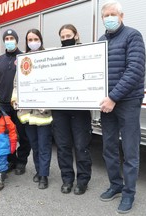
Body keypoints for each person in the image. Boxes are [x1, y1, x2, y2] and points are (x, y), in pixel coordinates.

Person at [98, 1, 146, 214]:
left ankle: (128, 194)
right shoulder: (100, 42)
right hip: (107, 103)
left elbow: (134, 70)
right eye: (106, 15)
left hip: (127, 102)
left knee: (129, 150)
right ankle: (115, 185)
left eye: (113, 14)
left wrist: (113, 97)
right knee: (108, 147)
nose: (109, 17)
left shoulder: (133, 36)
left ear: (121, 15)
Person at [51, 24, 92, 195]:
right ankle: (67, 179)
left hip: (80, 109)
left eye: (68, 35)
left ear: (76, 35)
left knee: (81, 145)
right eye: (62, 36)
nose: (65, 38)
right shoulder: (54, 56)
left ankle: (82, 181)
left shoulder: (86, 54)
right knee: (63, 146)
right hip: (60, 109)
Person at [11, 29, 53, 189]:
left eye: (36, 38)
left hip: (43, 114)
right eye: (30, 39)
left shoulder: (47, 59)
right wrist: (15, 100)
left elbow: (52, 83)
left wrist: (47, 102)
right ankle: (39, 170)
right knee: (35, 145)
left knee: (44, 145)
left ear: (41, 40)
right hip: (27, 114)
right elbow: (17, 84)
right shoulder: (23, 61)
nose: (33, 42)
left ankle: (44, 176)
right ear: (26, 42)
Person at [0, 28, 31, 175]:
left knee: (23, 135)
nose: (9, 41)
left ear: (17, 40)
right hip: (3, 103)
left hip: (20, 104)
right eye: (7, 39)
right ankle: (11, 160)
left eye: (12, 38)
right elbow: (0, 78)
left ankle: (22, 162)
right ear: (4, 41)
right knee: (6, 134)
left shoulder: (24, 58)